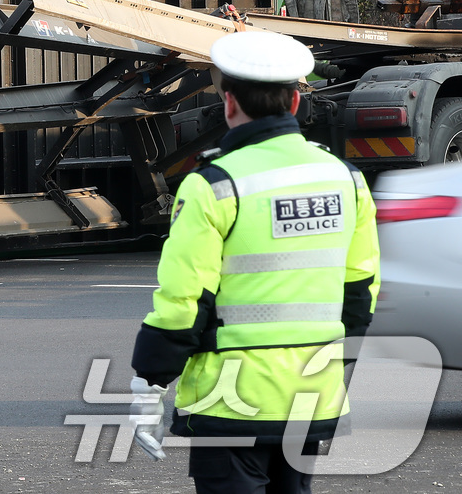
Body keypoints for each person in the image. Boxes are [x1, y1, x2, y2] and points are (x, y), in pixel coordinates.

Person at [128, 30, 380, 493]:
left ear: (228, 104)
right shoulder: (345, 179)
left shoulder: (213, 185)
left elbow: (184, 299)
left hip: (232, 399)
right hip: (312, 393)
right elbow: (360, 292)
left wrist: (150, 382)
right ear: (296, 102)